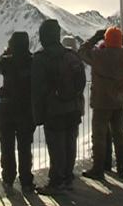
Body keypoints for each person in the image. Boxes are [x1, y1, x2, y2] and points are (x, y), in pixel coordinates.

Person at [32, 20, 85, 195]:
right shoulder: (71, 55)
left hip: (54, 110)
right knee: (70, 144)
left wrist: (37, 115)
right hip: (73, 108)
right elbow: (81, 83)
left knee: (56, 148)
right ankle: (68, 178)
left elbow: (37, 90)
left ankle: (56, 182)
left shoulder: (41, 59)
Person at [79, 27, 123, 180]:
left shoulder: (99, 55)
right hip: (120, 101)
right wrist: (122, 37)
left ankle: (98, 169)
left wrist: (96, 37)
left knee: (99, 136)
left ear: (106, 40)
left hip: (102, 101)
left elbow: (82, 51)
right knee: (119, 133)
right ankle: (122, 168)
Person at [0, 32, 36, 194]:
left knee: (7, 146)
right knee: (25, 147)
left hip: (6, 109)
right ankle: (26, 181)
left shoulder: (6, 61)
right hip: (26, 109)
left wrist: (7, 51)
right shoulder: (33, 61)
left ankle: (8, 178)